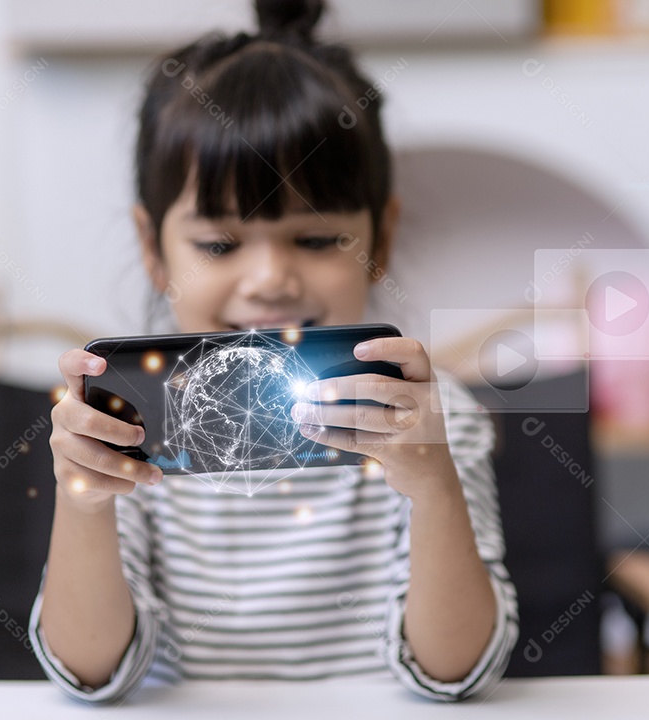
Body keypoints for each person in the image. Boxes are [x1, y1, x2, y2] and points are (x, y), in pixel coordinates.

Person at [29, 0, 517, 704]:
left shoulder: (432, 422)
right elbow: (90, 670)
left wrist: (435, 486)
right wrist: (85, 503)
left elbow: (456, 669)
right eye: (220, 245)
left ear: (379, 239)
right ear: (152, 249)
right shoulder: (123, 427)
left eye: (316, 240)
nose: (270, 281)